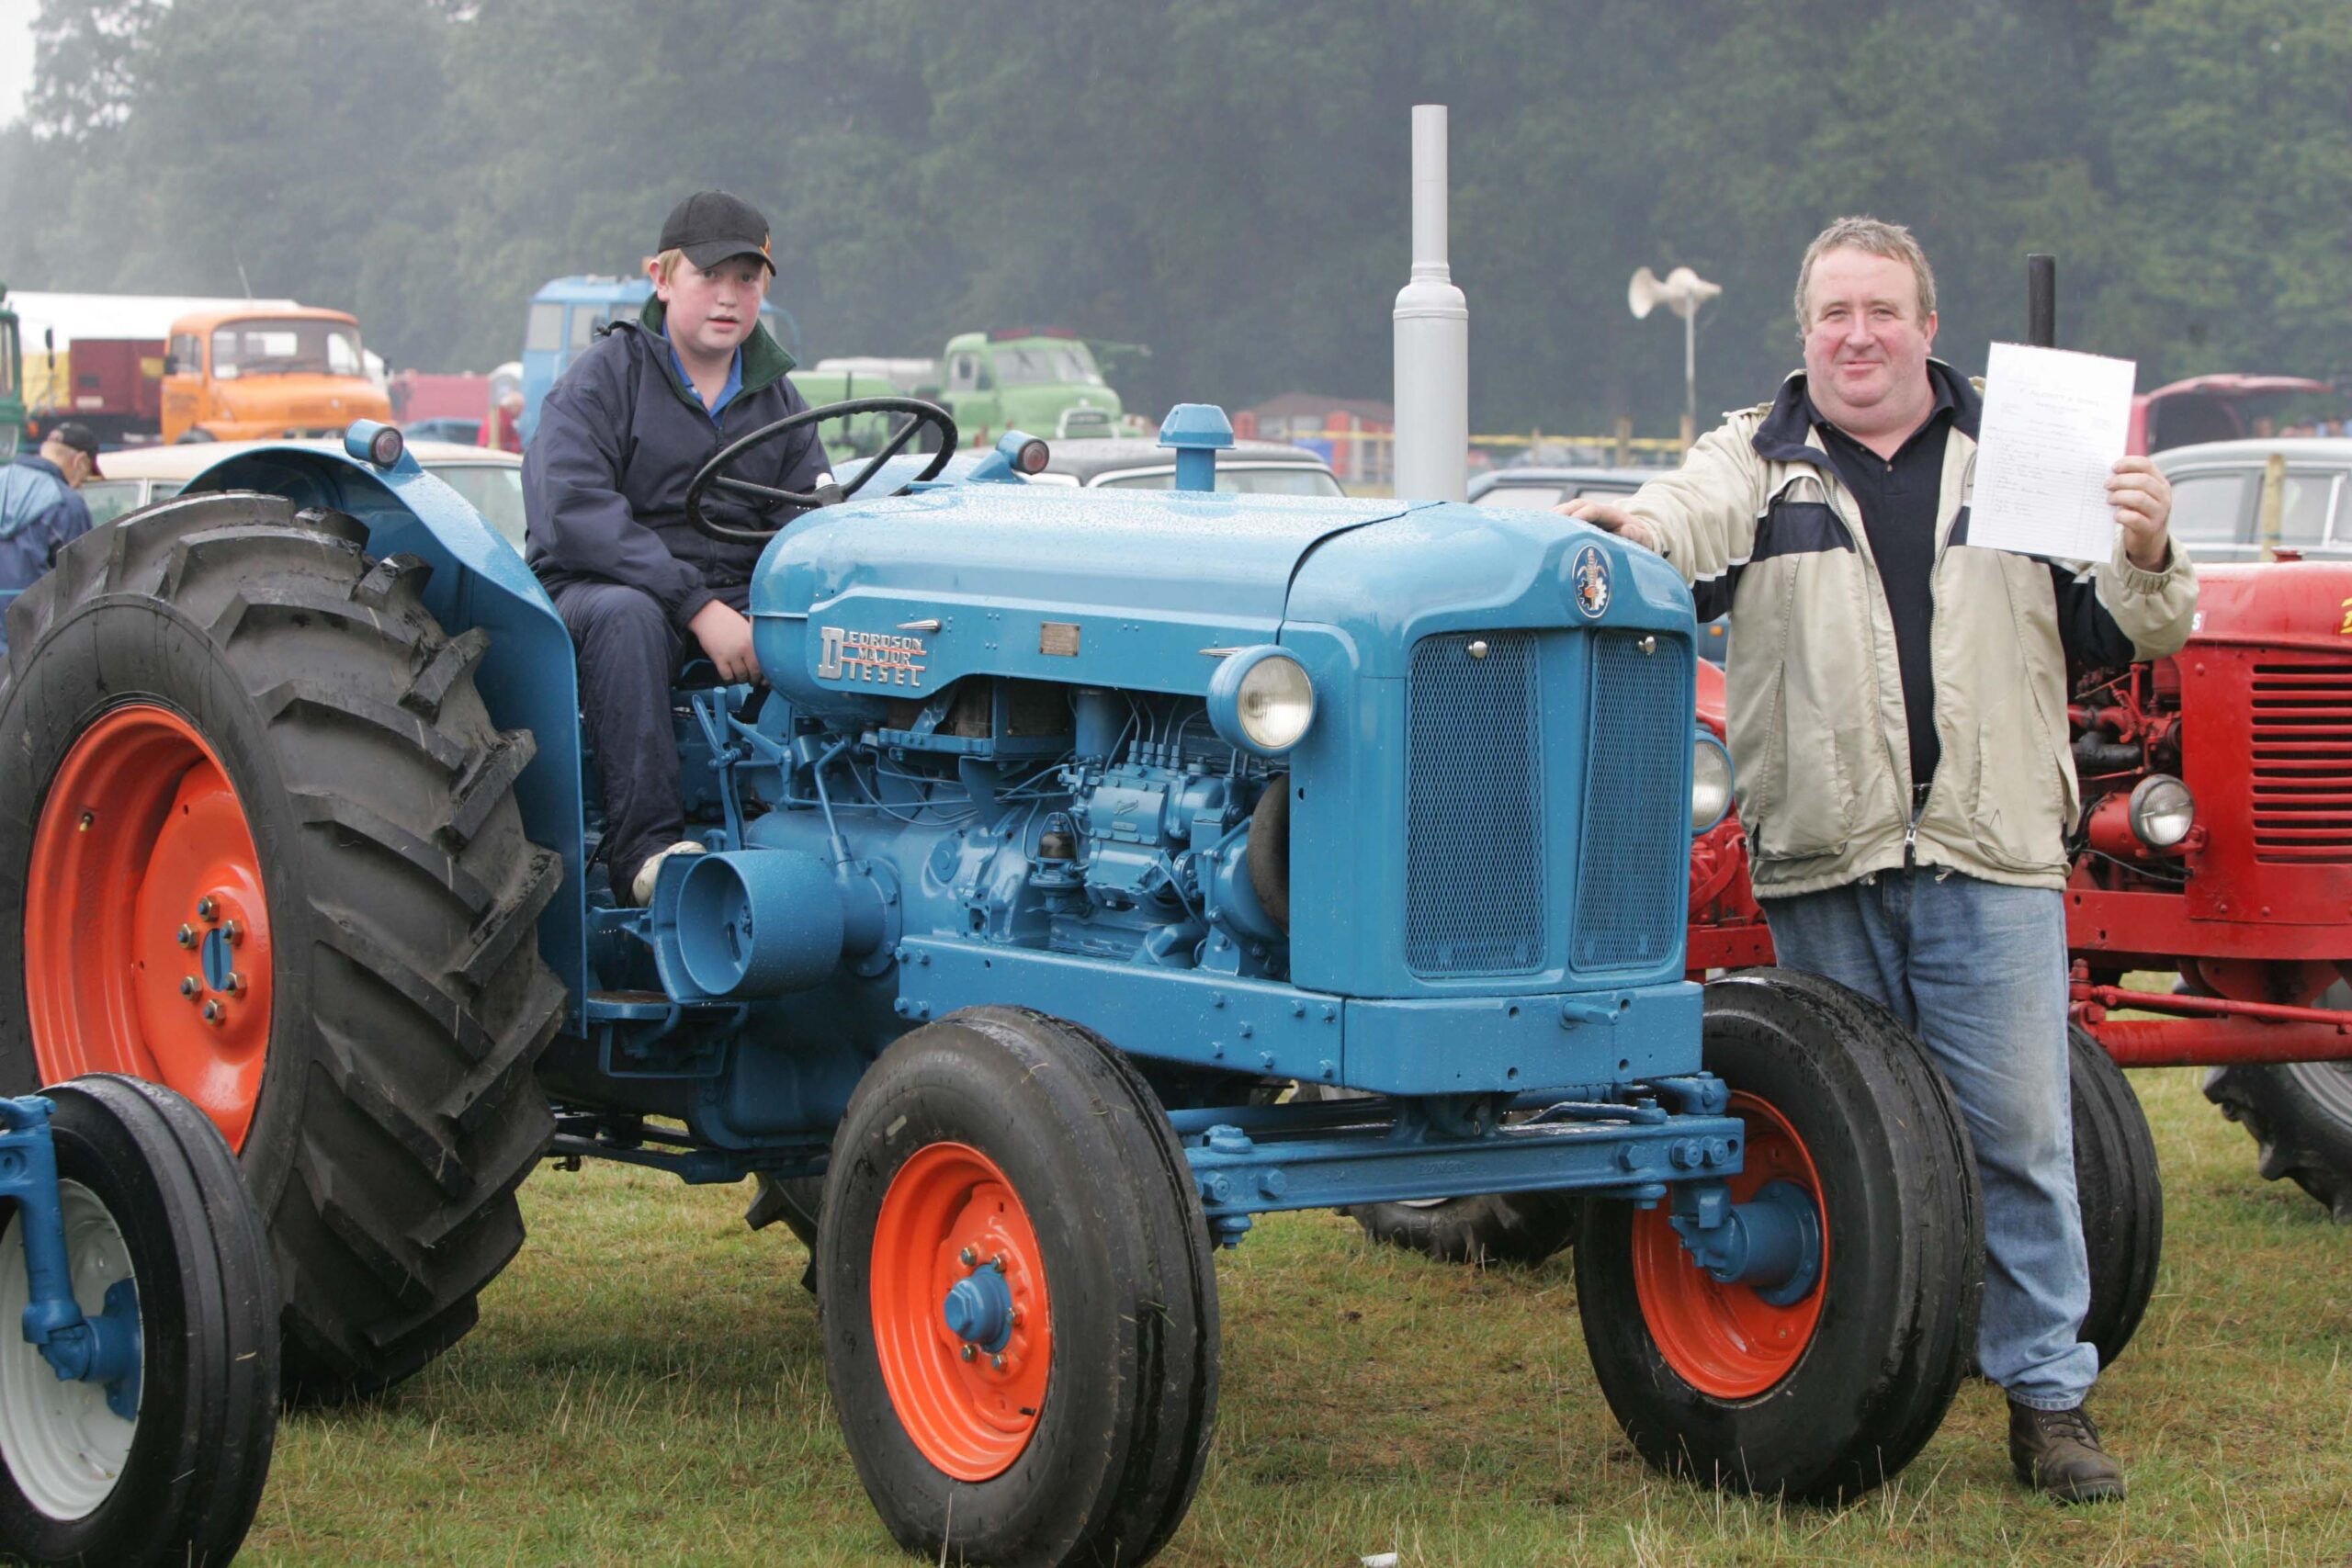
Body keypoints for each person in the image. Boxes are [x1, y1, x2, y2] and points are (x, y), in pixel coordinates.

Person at [1563, 216, 2195, 1505]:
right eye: (1835, 312)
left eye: (1883, 310)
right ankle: (1866, 1379)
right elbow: (1681, 523)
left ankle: (2049, 1401)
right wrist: (1627, 521)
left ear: (1928, 326)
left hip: (1986, 849)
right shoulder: (1758, 457)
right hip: (1826, 855)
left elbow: (2128, 623)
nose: (1859, 334)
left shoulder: (2020, 453)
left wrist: (2146, 546)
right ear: (1806, 333)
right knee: (1854, 1140)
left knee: (2017, 1134)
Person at [524, 190, 834, 906]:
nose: (729, 298)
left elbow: (806, 517)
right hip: (598, 590)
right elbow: (571, 510)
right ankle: (647, 852)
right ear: (662, 280)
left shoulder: (779, 401)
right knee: (628, 616)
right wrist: (695, 603)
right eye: (709, 277)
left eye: (747, 280)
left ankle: (811, 825)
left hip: (727, 599)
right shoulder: (606, 378)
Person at [0, 422, 104, 655]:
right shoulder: (67, 504)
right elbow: (82, 585)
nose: (80, 485)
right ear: (79, 462)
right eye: (85, 476)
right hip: (31, 649)